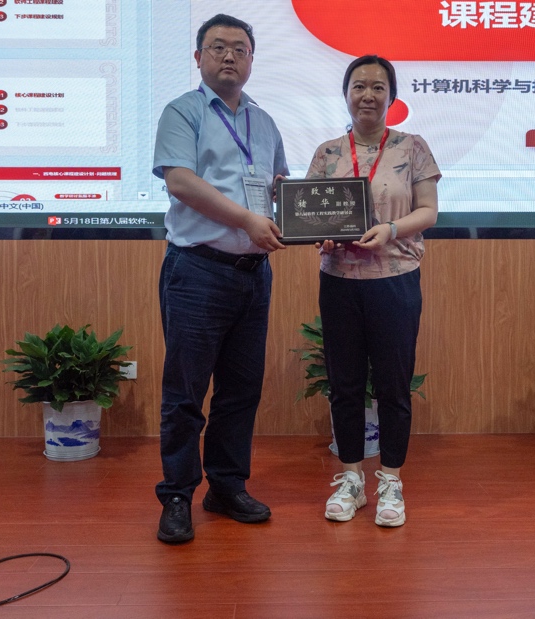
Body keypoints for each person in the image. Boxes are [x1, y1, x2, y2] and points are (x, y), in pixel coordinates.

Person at [151, 14, 288, 544]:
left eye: (239, 49)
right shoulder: (182, 112)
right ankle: (177, 495)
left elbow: (278, 187)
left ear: (252, 59)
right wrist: (248, 219)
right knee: (185, 392)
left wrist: (312, 218)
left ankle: (226, 486)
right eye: (217, 47)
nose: (229, 56)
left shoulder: (264, 121)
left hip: (253, 275)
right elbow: (181, 182)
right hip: (198, 271)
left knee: (240, 390)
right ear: (198, 57)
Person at [306, 55, 440, 527]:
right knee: (344, 384)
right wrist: (319, 235)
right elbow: (312, 218)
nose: (368, 95)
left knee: (393, 386)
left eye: (378, 87)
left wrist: (391, 229)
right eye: (359, 86)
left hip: (395, 280)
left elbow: (429, 212)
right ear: (346, 94)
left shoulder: (412, 147)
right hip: (339, 282)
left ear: (391, 96)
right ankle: (350, 479)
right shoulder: (327, 153)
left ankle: (391, 481)